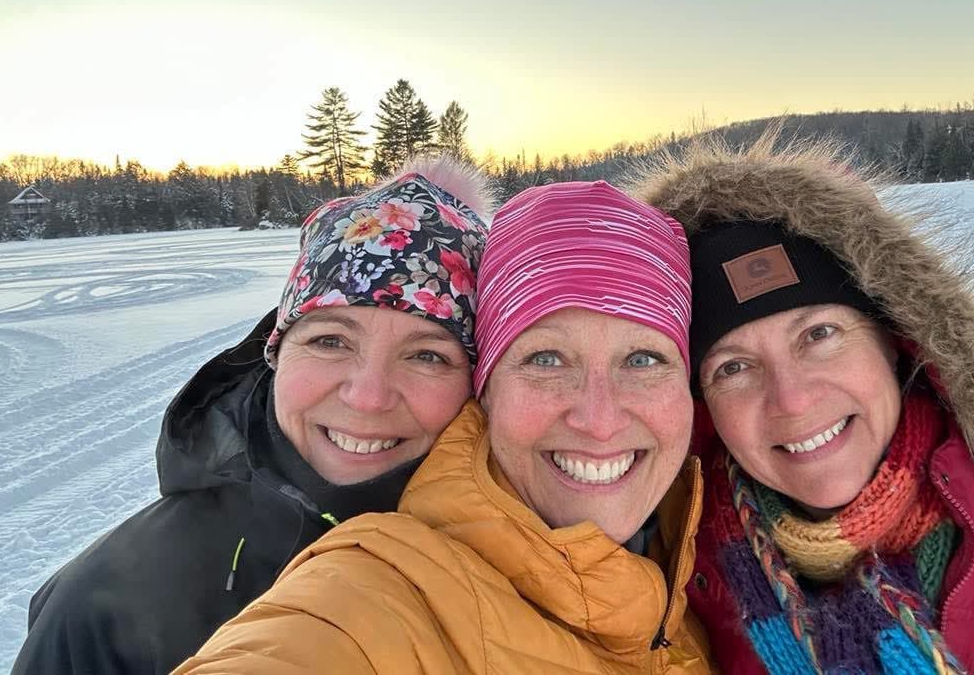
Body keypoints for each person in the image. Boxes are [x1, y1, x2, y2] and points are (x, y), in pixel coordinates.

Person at [632, 132, 974, 674]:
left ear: (896, 340)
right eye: (732, 367)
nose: (792, 398)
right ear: (700, 404)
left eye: (819, 334)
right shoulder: (673, 586)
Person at [177, 180, 714, 674]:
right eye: (546, 359)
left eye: (644, 360)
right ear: (486, 394)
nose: (599, 421)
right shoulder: (363, 600)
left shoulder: (703, 568)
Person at [13, 158, 492, 675]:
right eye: (330, 341)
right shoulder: (106, 605)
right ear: (276, 354)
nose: (367, 397)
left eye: (427, 355)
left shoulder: (541, 561)